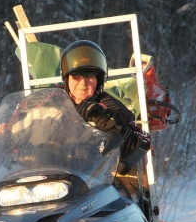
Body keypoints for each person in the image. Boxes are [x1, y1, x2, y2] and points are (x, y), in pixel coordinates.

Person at [59, 40, 150, 170]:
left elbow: (143, 143)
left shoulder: (112, 107)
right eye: (77, 75)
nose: (83, 82)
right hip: (49, 175)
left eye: (90, 76)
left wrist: (112, 125)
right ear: (66, 78)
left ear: (99, 80)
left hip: (94, 177)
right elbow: (21, 127)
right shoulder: (49, 100)